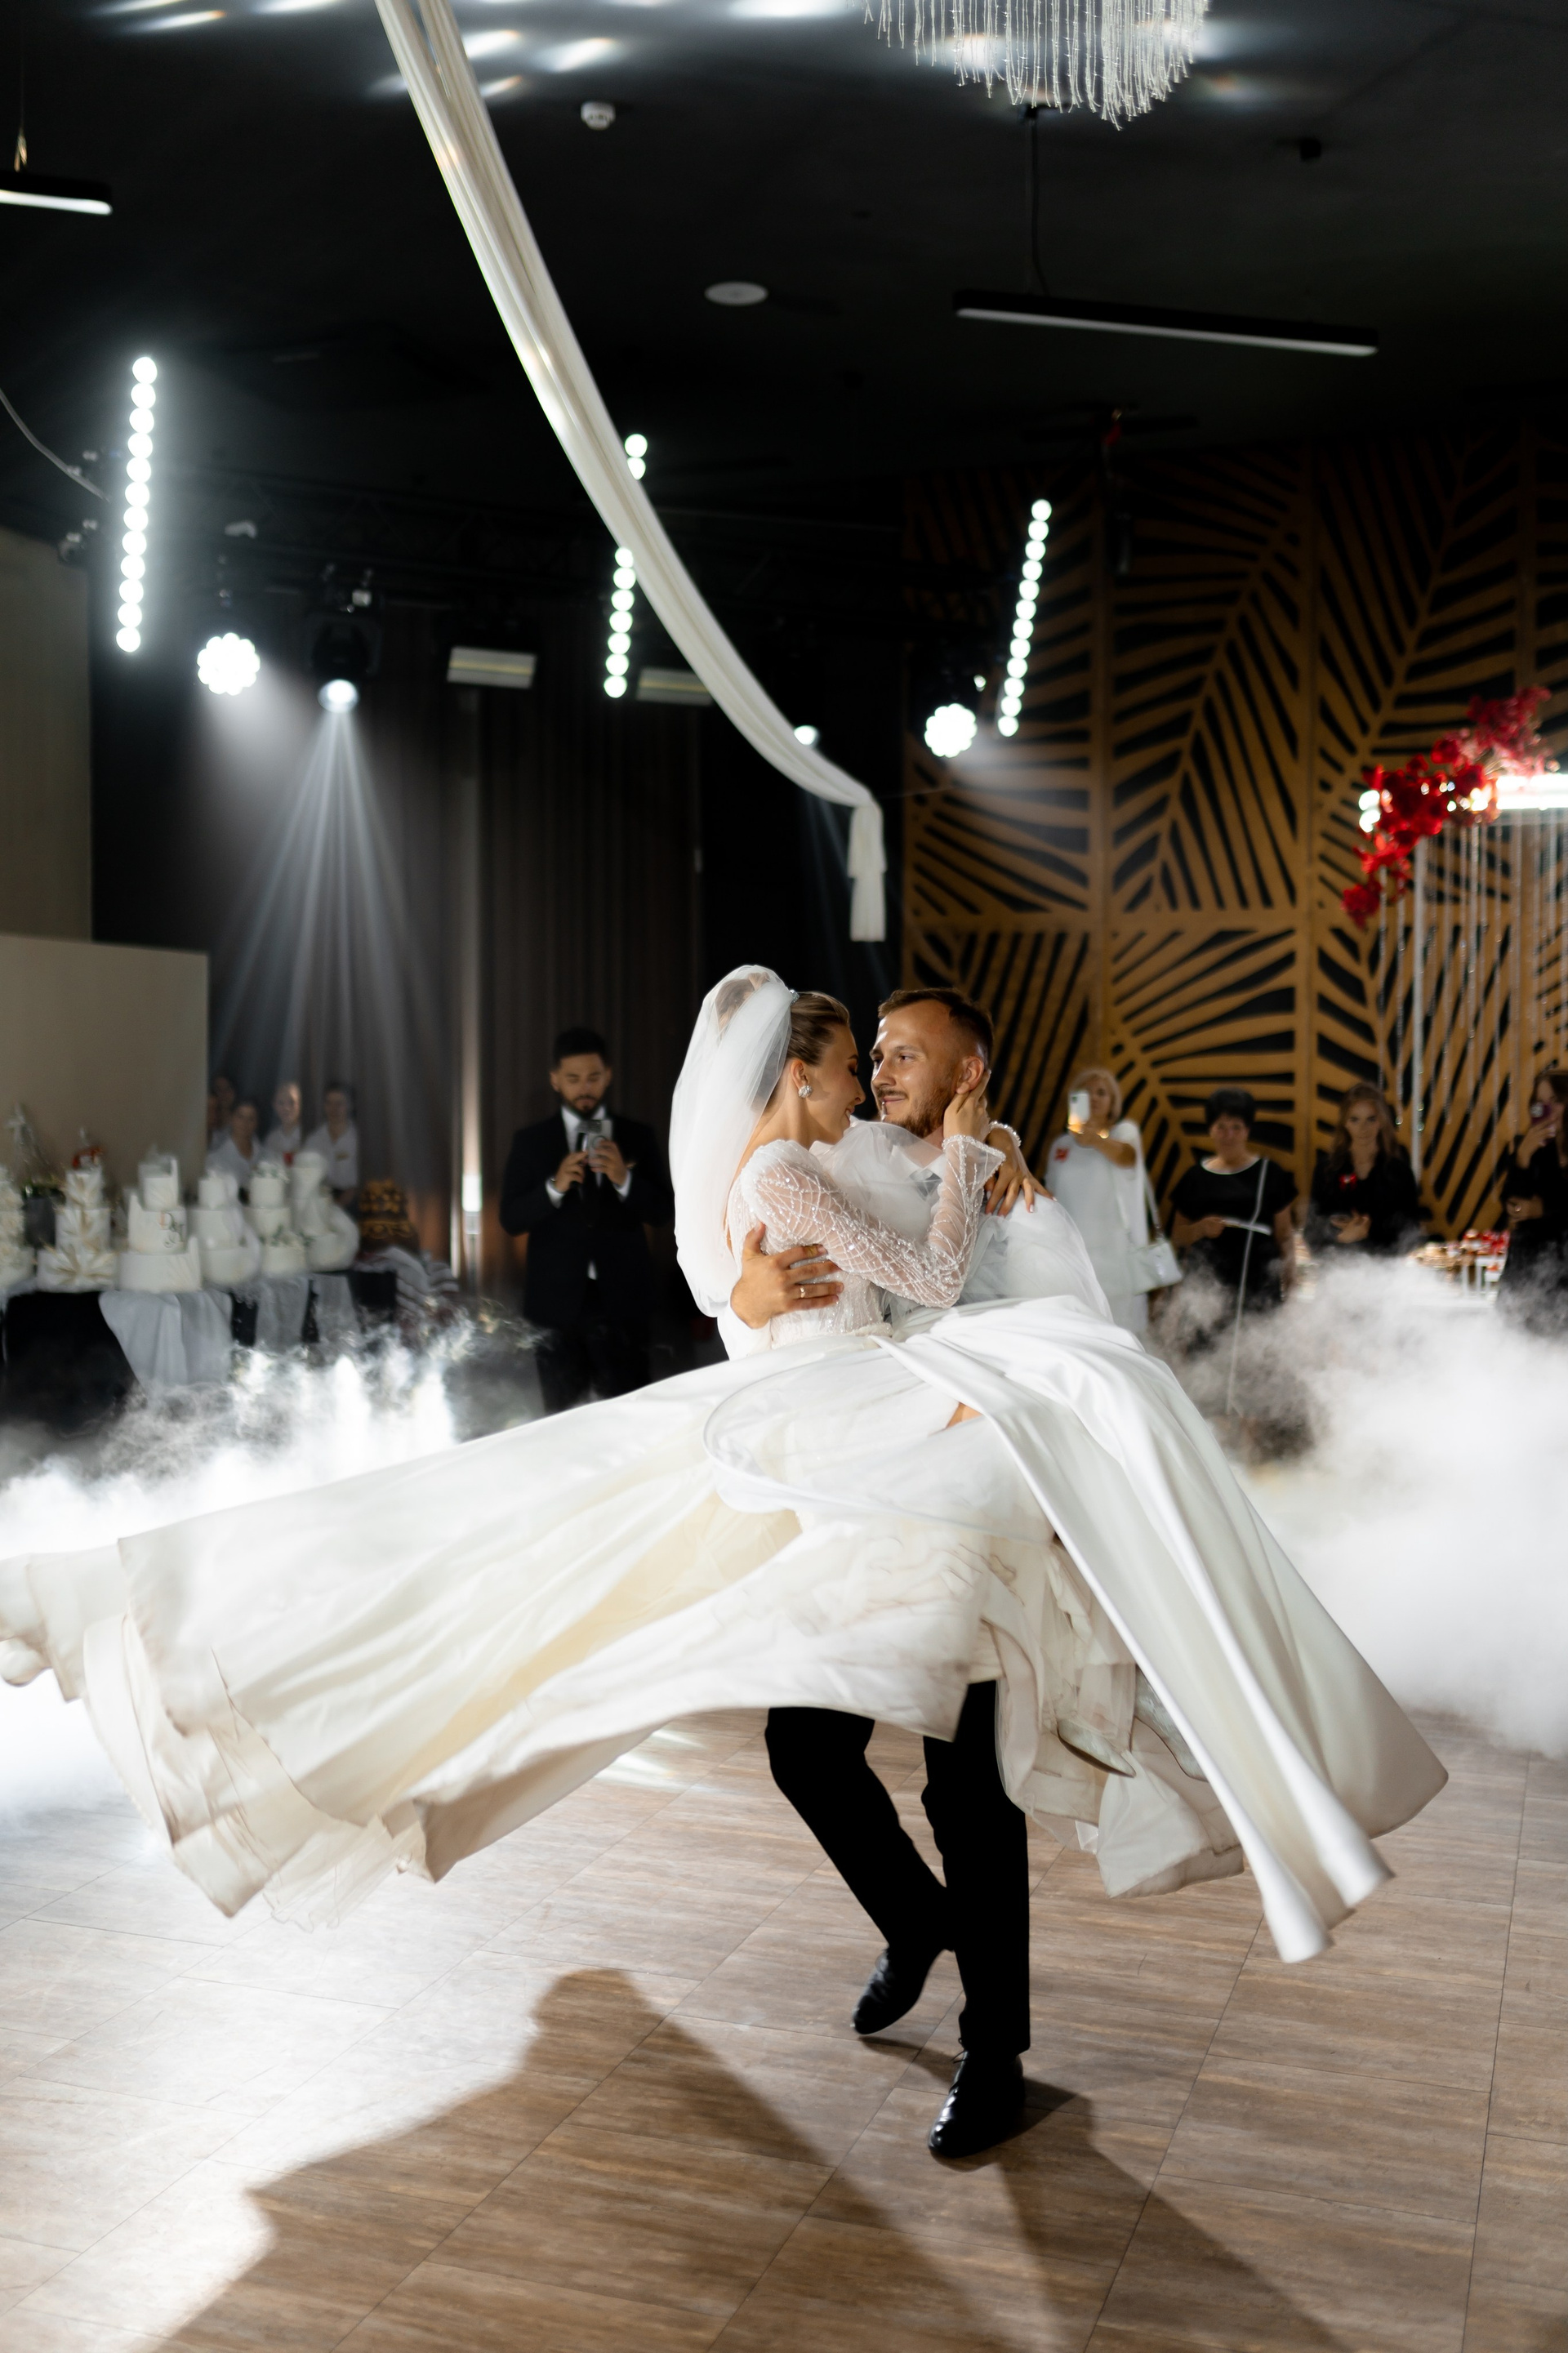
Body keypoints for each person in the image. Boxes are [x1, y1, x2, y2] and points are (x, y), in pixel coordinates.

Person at [1, 965, 1446, 2167]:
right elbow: (758, 1255)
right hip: (836, 1468)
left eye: (901, 1057)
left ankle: (995, 2051)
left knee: (967, 1776)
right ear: (812, 1074)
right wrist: (755, 1289)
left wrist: (983, 1157)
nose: (878, 1072)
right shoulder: (814, 1159)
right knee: (805, 1747)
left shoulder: (933, 1155)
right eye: (866, 1055)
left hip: (956, 1477)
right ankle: (920, 1924)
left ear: (960, 1074)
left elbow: (984, 1260)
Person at [498, 1026, 674, 1413]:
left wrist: (625, 1180)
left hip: (625, 1302)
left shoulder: (637, 1136)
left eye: (593, 1077)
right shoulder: (530, 1141)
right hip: (555, 1305)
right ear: (555, 1080)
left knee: (630, 1415)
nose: (585, 1088)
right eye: (574, 1078)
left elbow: (663, 1211)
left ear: (608, 1075)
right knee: (561, 1419)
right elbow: (510, 1219)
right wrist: (554, 1188)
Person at [1169, 1087, 1298, 1316]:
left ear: (1247, 1131)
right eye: (1221, 1127)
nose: (1228, 1135)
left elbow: (1285, 1236)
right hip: (1206, 1289)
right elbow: (1178, 1236)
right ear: (1210, 1130)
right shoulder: (1195, 1177)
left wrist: (1291, 1282)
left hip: (1258, 1284)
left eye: (1236, 1127)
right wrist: (1200, 1229)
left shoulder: (1270, 1174)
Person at [1046, 1067, 1151, 1332]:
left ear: (1113, 1103)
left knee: (1119, 1329)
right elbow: (1051, 1194)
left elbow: (1127, 1158)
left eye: (1101, 1093)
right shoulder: (1061, 1146)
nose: (1093, 1098)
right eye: (1086, 1092)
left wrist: (1096, 1139)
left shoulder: (1124, 1133)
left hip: (1116, 1256)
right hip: (1073, 1255)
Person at [1305, 1084, 1422, 1259]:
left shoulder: (1400, 1173)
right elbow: (1311, 1236)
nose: (1363, 1128)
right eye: (1355, 1120)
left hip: (1388, 1272)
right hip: (1337, 1271)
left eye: (1371, 1119)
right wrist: (1343, 1238)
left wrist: (1368, 1233)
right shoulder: (1326, 1171)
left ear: (1381, 1121)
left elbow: (1411, 1235)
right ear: (1345, 1123)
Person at [1496, 1068, 1568, 1325]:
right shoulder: (1529, 1147)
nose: (1548, 1110)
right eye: (1540, 1103)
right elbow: (1510, 1199)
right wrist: (1523, 1157)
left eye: (1556, 1101)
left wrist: (1543, 1209)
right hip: (1527, 1270)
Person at [305, 1080, 359, 1205]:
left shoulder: (358, 1139)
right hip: (318, 1200)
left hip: (352, 1200)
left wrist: (340, 1203)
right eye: (329, 1103)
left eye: (339, 1103)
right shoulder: (314, 1139)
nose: (334, 1109)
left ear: (350, 1105)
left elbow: (362, 1180)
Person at [205, 1096, 261, 1191]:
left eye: (251, 1118)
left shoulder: (266, 1156)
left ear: (257, 1122)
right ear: (231, 1118)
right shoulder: (215, 1159)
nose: (245, 1123)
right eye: (240, 1117)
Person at [263, 1081, 304, 1165]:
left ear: (300, 1104)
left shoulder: (308, 1138)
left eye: (292, 1102)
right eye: (281, 1103)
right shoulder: (271, 1140)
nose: (286, 1108)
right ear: (274, 1106)